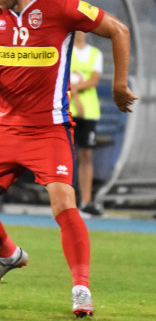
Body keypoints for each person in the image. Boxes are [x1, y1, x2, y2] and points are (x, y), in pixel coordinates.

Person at [0, 0, 137, 317]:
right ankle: (9, 255)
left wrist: (119, 84)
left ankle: (81, 288)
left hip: (49, 130)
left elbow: (119, 29)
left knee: (64, 203)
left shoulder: (61, 9)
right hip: (4, 130)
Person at [69, 31, 104, 217]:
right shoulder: (66, 51)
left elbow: (94, 80)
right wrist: (74, 95)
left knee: (86, 155)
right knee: (67, 155)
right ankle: (68, 201)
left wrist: (77, 87)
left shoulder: (95, 54)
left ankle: (86, 201)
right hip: (68, 111)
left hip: (88, 111)